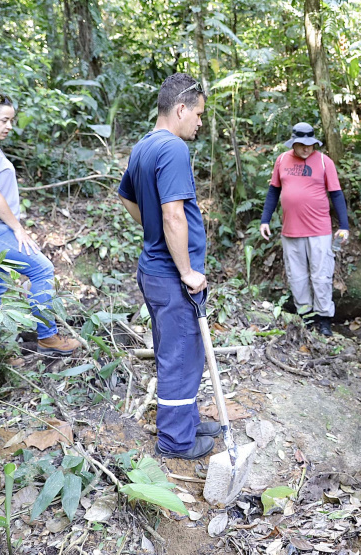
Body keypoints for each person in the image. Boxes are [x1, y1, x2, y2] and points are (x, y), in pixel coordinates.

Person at [118, 73, 222, 460]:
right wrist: (188, 271)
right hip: (171, 274)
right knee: (180, 354)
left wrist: (151, 229)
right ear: (181, 109)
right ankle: (176, 440)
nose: (199, 122)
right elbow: (173, 214)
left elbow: (126, 195)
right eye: (198, 115)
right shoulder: (173, 149)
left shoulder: (144, 146)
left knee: (180, 350)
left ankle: (186, 420)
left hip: (153, 269)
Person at [0, 90, 81, 357]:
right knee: (42, 269)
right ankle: (48, 337)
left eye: (11, 120)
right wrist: (17, 228)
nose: (9, 126)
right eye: (4, 121)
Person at [259, 122, 350, 337]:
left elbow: (336, 193)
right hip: (291, 231)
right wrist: (265, 220)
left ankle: (324, 319)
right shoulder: (282, 160)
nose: (307, 149)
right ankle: (306, 317)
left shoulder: (324, 161)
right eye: (302, 145)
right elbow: (273, 191)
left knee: (322, 276)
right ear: (294, 143)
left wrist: (344, 226)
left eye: (310, 144)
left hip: (320, 230)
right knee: (297, 276)